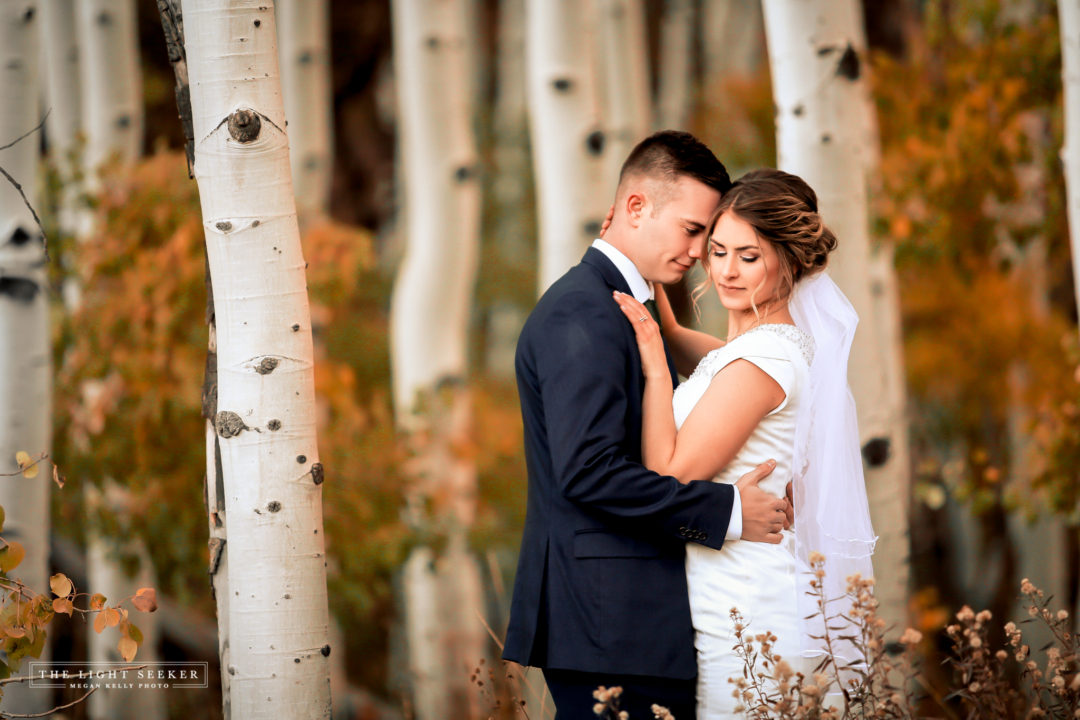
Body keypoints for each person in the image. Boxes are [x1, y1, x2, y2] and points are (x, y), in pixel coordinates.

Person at [502, 132, 793, 720]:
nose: (697, 252)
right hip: (609, 624)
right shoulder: (582, 313)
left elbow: (724, 371)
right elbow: (587, 473)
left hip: (632, 626)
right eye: (691, 230)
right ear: (636, 207)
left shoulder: (627, 305)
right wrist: (728, 512)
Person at [612, 168, 876, 719]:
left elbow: (671, 474)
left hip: (748, 611)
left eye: (748, 257)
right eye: (717, 250)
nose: (727, 271)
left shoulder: (764, 360)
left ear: (791, 261)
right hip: (726, 595)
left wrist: (658, 375)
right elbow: (688, 345)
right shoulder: (756, 348)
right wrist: (638, 252)